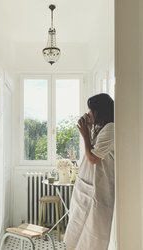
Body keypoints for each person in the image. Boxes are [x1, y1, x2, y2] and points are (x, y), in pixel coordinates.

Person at [64, 93, 114, 250]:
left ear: (99, 111)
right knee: (80, 230)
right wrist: (90, 130)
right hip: (89, 187)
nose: (88, 113)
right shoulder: (102, 128)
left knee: (94, 234)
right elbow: (92, 150)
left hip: (100, 188)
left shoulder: (111, 128)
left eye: (91, 110)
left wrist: (85, 134)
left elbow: (93, 157)